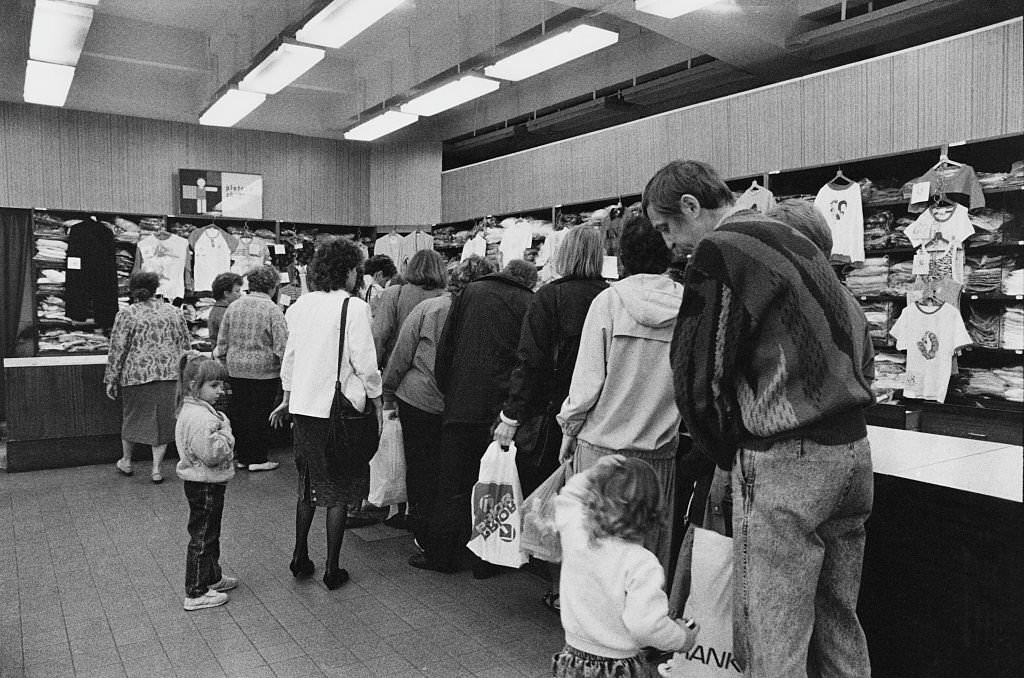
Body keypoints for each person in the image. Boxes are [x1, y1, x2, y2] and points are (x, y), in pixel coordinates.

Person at [644, 160, 875, 676]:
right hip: (852, 452)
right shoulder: (795, 239)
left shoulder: (722, 249)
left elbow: (694, 372)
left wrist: (721, 453)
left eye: (666, 228)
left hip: (787, 458)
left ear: (689, 206)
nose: (669, 245)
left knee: (774, 628)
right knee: (838, 618)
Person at [556, 216, 684, 574]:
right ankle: (644, 625)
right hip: (658, 454)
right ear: (670, 252)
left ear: (621, 257)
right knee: (647, 561)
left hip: (602, 450)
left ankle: (596, 628)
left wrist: (569, 429)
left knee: (596, 556)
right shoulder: (690, 307)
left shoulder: (609, 303)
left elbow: (586, 384)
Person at [491, 226, 608, 613]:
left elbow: (531, 361)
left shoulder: (550, 297)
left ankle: (560, 590)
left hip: (555, 415)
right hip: (604, 418)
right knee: (597, 510)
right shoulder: (610, 296)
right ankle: (594, 592)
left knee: (560, 503)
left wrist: (512, 414)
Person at [269, 237, 383, 591]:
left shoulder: (300, 306)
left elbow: (290, 357)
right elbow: (364, 361)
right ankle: (333, 569)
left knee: (307, 485)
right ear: (350, 270)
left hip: (304, 408)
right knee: (338, 488)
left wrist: (288, 397)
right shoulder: (354, 307)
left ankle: (300, 556)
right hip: (340, 411)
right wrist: (377, 398)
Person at [410, 259, 535, 575]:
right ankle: (487, 559)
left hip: (461, 402)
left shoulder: (473, 292)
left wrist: (450, 387)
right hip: (499, 412)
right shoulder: (529, 302)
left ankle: (442, 555)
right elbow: (526, 359)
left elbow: (447, 346)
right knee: (492, 485)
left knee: (451, 483)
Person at [552, 455, 699, 678]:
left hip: (572, 658)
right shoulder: (641, 562)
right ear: (652, 510)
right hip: (617, 667)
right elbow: (645, 626)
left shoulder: (577, 536)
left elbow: (568, 496)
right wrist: (681, 638)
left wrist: (598, 469)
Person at [382, 256, 496, 542]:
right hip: (463, 407)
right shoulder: (486, 316)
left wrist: (387, 393)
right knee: (455, 473)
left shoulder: (430, 308)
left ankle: (422, 528)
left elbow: (401, 355)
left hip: (419, 401)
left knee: (421, 467)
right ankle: (454, 532)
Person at [105, 271, 191, 484]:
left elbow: (117, 348)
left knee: (132, 417)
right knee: (163, 422)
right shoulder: (174, 312)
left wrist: (111, 378)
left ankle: (126, 460)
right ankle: (156, 469)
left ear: (133, 289)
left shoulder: (127, 314)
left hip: (136, 375)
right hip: (169, 375)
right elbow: (186, 346)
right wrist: (186, 375)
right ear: (156, 288)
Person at [175, 352, 238, 611]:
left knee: (209, 532)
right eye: (214, 385)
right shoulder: (203, 418)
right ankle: (196, 591)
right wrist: (227, 434)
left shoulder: (191, 409)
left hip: (201, 482)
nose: (220, 390)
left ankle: (212, 576)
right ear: (194, 386)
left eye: (220, 384)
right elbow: (212, 453)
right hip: (206, 482)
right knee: (203, 536)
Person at [214, 265, 287, 472]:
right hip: (264, 371)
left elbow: (222, 341)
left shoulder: (234, 306)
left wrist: (223, 362)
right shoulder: (272, 310)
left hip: (236, 368)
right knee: (260, 414)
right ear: (273, 287)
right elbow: (281, 345)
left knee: (240, 412)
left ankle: (243, 456)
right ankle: (258, 458)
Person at [372, 249, 448, 365]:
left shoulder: (394, 294)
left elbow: (379, 335)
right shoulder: (448, 299)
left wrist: (374, 372)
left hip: (397, 369)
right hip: (434, 373)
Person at [207, 272, 243, 347]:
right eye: (237, 291)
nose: (240, 295)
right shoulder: (224, 313)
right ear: (226, 293)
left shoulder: (218, 309)